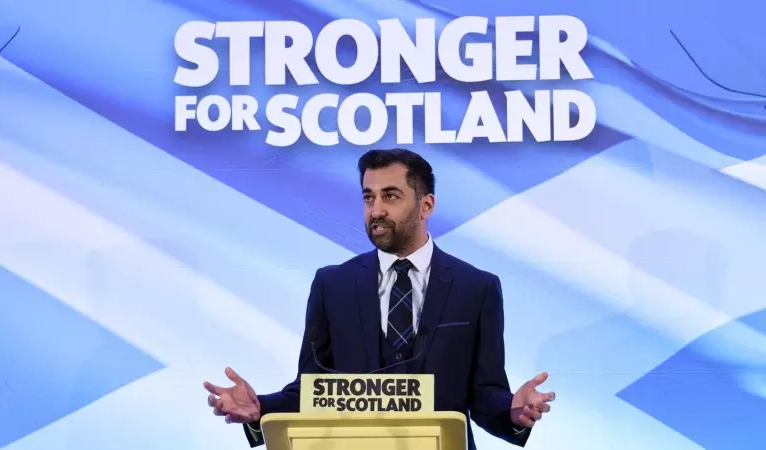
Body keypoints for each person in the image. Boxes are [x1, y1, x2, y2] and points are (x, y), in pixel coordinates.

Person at [204, 148, 555, 449]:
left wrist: (514, 410)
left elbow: (484, 393)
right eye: (368, 197)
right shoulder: (333, 284)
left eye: (391, 196)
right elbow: (314, 393)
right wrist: (260, 409)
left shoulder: (476, 287)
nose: (376, 211)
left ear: (426, 205)